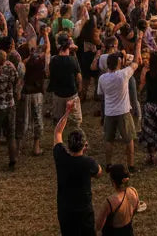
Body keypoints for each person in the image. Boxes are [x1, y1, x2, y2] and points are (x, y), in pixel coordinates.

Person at [54, 98, 102, 236]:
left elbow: (57, 132)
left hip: (65, 210)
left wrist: (67, 112)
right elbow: (99, 173)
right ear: (84, 145)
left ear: (68, 145)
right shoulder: (88, 163)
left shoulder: (61, 157)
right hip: (83, 211)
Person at [96, 164, 138, 236]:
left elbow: (98, 226)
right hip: (128, 231)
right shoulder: (133, 191)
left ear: (113, 181)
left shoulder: (110, 202)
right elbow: (135, 210)